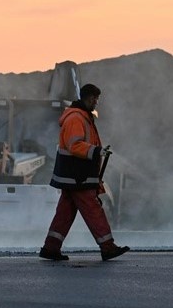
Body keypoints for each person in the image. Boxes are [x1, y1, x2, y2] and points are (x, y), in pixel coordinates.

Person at [40, 83, 129, 261]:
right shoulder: (76, 119)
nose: (96, 102)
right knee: (93, 209)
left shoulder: (82, 117)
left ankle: (51, 248)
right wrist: (97, 152)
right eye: (95, 99)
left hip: (73, 175)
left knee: (65, 213)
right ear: (88, 98)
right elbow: (75, 145)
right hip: (77, 176)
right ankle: (107, 247)